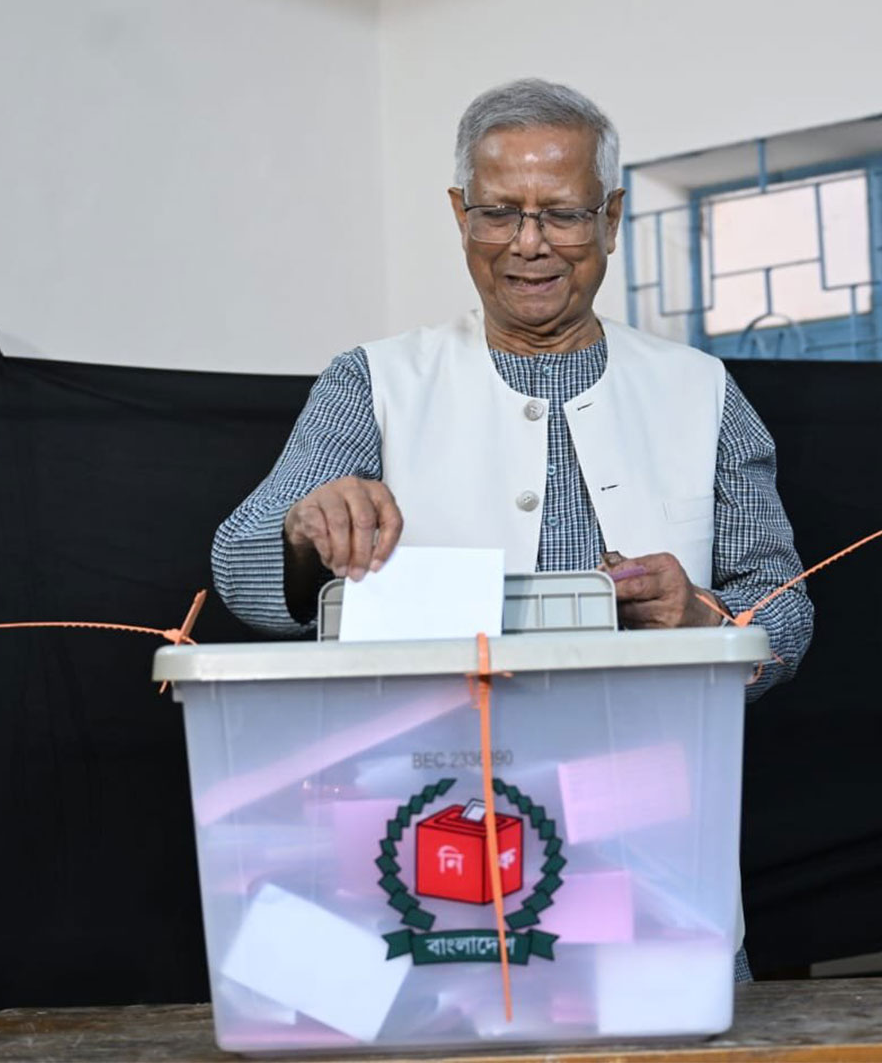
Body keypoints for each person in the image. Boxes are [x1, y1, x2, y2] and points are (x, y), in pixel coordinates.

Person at [212, 79, 814, 979]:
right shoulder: (373, 384)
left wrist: (701, 619)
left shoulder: (703, 394)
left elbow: (786, 612)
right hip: (420, 837)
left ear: (612, 218)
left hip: (649, 852)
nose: (529, 245)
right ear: (460, 214)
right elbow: (241, 569)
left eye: (563, 214)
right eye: (499, 213)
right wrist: (306, 532)